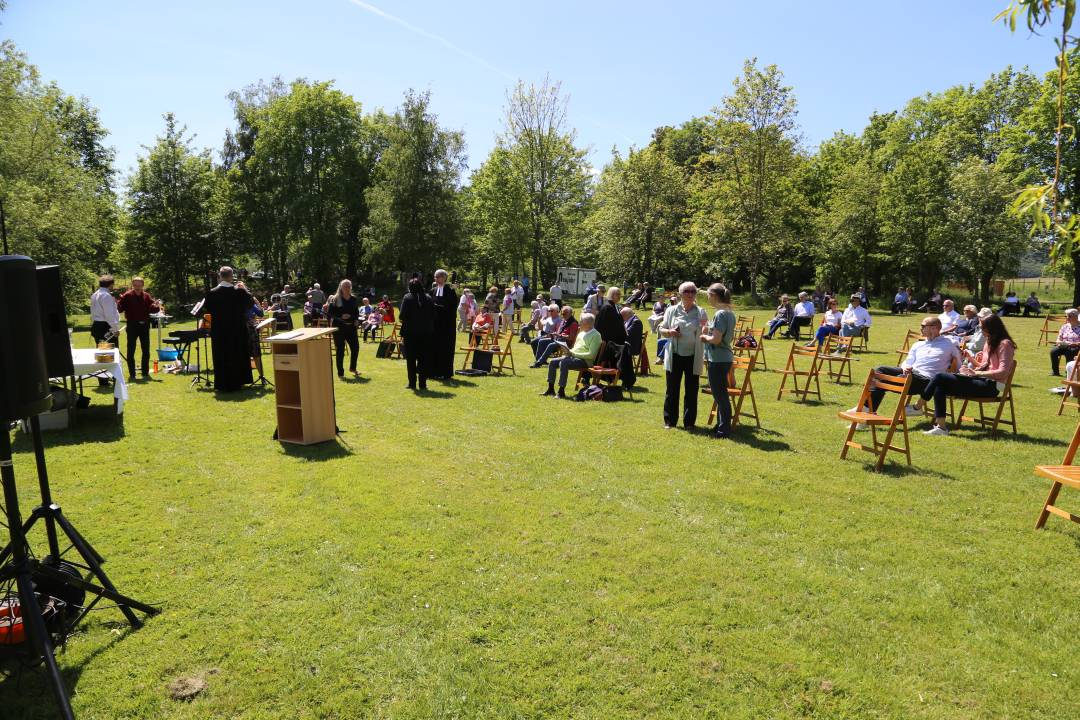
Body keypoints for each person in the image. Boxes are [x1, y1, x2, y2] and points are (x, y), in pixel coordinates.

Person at [920, 314, 1016, 436]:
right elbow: (983, 366)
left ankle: (918, 407)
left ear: (991, 328)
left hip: (992, 387)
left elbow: (1003, 371)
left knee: (940, 377)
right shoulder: (989, 341)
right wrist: (970, 360)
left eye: (982, 328)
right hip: (982, 381)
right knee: (940, 386)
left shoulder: (1005, 344)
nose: (980, 331)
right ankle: (941, 428)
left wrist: (976, 373)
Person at [850, 317, 960, 421]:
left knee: (884, 380)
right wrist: (905, 367)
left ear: (934, 328)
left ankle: (866, 410)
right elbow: (908, 361)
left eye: (923, 326)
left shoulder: (949, 344)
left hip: (927, 381)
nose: (920, 328)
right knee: (880, 370)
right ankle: (867, 409)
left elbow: (959, 364)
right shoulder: (918, 344)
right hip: (911, 373)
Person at [659, 282, 705, 429]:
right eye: (686, 291)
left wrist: (706, 330)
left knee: (691, 391)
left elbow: (706, 330)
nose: (690, 294)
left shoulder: (701, 312)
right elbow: (661, 328)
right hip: (674, 354)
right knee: (672, 390)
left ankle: (689, 423)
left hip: (693, 355)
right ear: (680, 293)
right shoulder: (671, 310)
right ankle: (670, 421)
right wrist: (669, 332)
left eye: (693, 291)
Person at [200, 267, 253, 391]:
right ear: (231, 276)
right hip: (237, 329)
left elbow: (207, 309)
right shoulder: (239, 292)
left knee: (222, 355)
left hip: (220, 330)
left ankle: (223, 383)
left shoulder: (212, 293)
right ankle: (239, 381)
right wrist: (245, 289)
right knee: (237, 354)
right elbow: (250, 304)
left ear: (220, 276)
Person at [700, 283, 736, 439]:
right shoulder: (729, 312)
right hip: (724, 358)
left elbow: (715, 339)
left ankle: (724, 430)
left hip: (718, 359)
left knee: (720, 396)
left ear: (714, 295)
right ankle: (721, 425)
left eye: (708, 294)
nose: (707, 297)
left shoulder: (720, 314)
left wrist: (704, 337)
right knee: (721, 395)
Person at [540, 313, 601, 398]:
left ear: (587, 323)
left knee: (564, 363)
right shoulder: (581, 333)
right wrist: (568, 351)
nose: (579, 323)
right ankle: (551, 389)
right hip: (574, 357)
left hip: (586, 361)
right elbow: (575, 349)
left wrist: (572, 353)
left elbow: (591, 355)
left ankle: (561, 391)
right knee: (552, 362)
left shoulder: (596, 335)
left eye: (581, 322)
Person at [117, 276, 162, 380]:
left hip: (144, 325)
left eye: (139, 285)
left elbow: (153, 310)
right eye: (135, 285)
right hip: (132, 325)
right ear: (132, 285)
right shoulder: (127, 295)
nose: (137, 287)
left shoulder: (146, 296)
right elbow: (119, 309)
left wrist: (157, 306)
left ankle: (145, 372)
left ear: (143, 285)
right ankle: (132, 373)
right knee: (131, 349)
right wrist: (117, 303)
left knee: (146, 350)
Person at [399, 277, 435, 390]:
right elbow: (434, 315)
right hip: (426, 333)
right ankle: (423, 384)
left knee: (411, 359)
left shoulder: (407, 297)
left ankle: (412, 383)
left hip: (410, 333)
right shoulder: (428, 298)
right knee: (423, 359)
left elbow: (401, 316)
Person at [89, 275, 121, 386]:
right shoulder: (106, 296)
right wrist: (115, 329)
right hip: (105, 326)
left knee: (102, 353)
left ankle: (103, 380)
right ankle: (111, 378)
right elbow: (109, 315)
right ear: (111, 284)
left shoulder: (95, 294)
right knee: (109, 353)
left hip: (97, 326)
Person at [327, 279, 360, 377]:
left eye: (349, 286)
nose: (347, 288)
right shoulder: (335, 299)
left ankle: (353, 368)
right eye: (345, 286)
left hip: (351, 328)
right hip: (339, 328)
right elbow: (330, 314)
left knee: (355, 348)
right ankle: (340, 373)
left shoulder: (353, 299)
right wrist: (341, 316)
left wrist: (356, 319)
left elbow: (356, 312)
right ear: (341, 287)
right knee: (340, 350)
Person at [430, 269, 458, 379]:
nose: (436, 279)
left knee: (445, 349)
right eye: (435, 277)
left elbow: (452, 308)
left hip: (446, 326)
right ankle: (433, 371)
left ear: (444, 278)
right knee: (434, 348)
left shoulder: (450, 291)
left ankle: (445, 372)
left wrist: (438, 308)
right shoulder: (432, 291)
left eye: (438, 277)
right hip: (435, 325)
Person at [1049, 308, 1080, 376]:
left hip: (1075, 346)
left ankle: (1068, 372)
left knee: (1069, 352)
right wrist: (1059, 342)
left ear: (1075, 317)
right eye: (1066, 316)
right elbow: (1059, 337)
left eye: (1069, 316)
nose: (1067, 318)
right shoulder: (1065, 326)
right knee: (1053, 351)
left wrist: (1075, 343)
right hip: (1064, 345)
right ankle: (1055, 372)